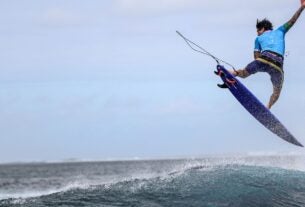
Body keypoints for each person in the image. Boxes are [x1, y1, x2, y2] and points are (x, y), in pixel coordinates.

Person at [229, 1, 305, 109]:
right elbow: (292, 21)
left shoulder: (258, 39)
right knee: (277, 92)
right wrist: (302, 7)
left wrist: (258, 67)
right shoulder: (281, 31)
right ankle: (268, 107)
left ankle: (232, 73)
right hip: (278, 65)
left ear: (263, 28)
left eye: (258, 30)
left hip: (263, 60)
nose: (257, 33)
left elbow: (256, 58)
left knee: (244, 73)